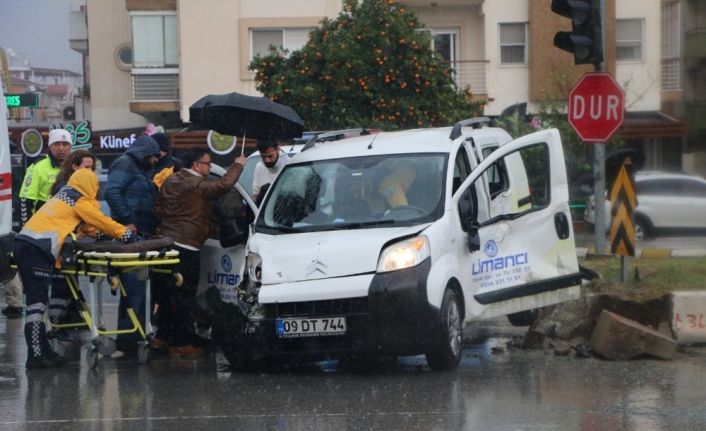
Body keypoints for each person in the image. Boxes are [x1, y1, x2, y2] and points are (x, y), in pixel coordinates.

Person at [13, 169, 136, 368]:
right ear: (90, 184)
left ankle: (44, 352)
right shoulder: (79, 199)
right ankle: (35, 356)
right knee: (36, 306)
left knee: (38, 304)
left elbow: (86, 226)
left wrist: (99, 234)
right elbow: (99, 220)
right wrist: (124, 234)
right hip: (36, 249)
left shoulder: (64, 196)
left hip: (27, 245)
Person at [153, 148, 246, 357]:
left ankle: (162, 337)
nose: (210, 167)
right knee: (185, 296)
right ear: (196, 165)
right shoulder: (194, 183)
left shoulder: (171, 180)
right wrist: (238, 164)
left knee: (169, 295)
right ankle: (185, 341)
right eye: (208, 163)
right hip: (186, 246)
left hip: (166, 242)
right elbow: (222, 185)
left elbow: (158, 208)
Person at [3, 129, 72, 319]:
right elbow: (25, 200)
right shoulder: (38, 168)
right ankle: (42, 319)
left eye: (65, 145)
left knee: (66, 276)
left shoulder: (75, 168)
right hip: (43, 234)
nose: (61, 149)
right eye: (57, 144)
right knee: (43, 278)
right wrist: (29, 233)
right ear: (50, 146)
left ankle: (67, 314)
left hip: (69, 232)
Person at [104, 135, 160, 352]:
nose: (155, 161)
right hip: (131, 236)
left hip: (141, 235)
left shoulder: (139, 168)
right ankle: (128, 338)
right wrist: (127, 220)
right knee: (134, 288)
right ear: (145, 153)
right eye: (154, 157)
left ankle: (134, 335)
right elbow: (111, 192)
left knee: (140, 289)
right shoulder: (125, 164)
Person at [252, 140, 289, 204]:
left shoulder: (290, 166)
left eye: (270, 156)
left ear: (277, 149)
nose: (267, 160)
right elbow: (255, 195)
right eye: (263, 156)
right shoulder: (259, 167)